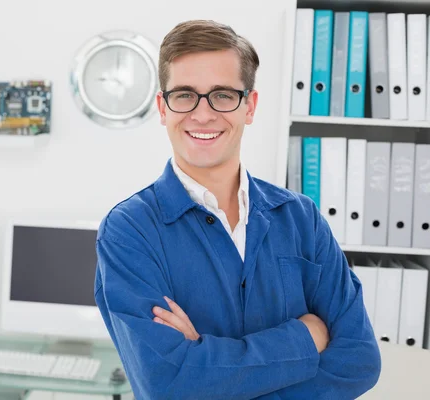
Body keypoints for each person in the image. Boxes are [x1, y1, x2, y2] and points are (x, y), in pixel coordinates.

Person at [94, 19, 381, 400]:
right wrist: (305, 338)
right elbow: (168, 384)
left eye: (223, 95)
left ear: (250, 106)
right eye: (184, 95)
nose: (202, 114)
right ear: (163, 108)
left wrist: (207, 367)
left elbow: (359, 360)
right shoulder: (129, 230)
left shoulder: (302, 219)